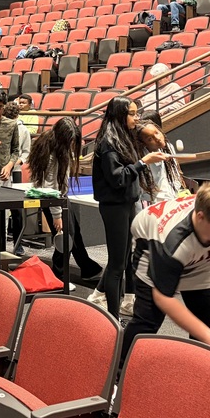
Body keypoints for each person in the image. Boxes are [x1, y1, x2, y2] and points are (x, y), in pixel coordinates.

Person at [120, 181, 210, 362]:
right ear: (200, 217)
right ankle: (119, 371)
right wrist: (208, 336)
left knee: (207, 316)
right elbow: (164, 299)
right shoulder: (170, 244)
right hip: (150, 243)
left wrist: (207, 332)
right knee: (148, 319)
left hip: (199, 260)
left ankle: (200, 370)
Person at [90, 96, 169, 318]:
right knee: (116, 266)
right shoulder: (108, 142)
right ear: (119, 115)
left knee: (124, 260)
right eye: (132, 114)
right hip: (114, 207)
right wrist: (143, 162)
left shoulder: (121, 137)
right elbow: (118, 178)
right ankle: (113, 318)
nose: (136, 118)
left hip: (125, 204)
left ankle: (118, 311)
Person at [29, 118, 102, 289]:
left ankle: (88, 268)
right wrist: (57, 215)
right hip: (53, 199)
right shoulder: (51, 152)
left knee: (74, 233)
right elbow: (50, 186)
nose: (72, 144)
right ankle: (59, 277)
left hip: (57, 197)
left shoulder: (50, 143)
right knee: (65, 237)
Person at [135, 120, 189, 204]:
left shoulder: (168, 147)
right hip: (154, 203)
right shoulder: (141, 158)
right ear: (143, 144)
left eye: (157, 133)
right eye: (150, 139)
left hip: (173, 197)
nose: (157, 139)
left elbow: (175, 176)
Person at [3, 100, 31, 254]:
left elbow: (26, 152)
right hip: (2, 171)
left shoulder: (23, 130)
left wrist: (16, 162)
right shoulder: (0, 128)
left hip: (16, 171)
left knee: (17, 211)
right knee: (1, 209)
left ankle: (17, 244)